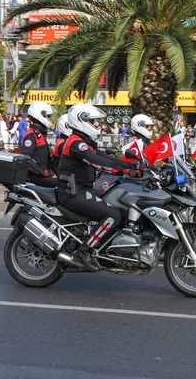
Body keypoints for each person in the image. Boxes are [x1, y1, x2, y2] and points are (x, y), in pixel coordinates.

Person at [56, 103, 140, 271]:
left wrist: (134, 165)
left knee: (120, 208)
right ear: (82, 121)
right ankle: (84, 251)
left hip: (81, 190)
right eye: (94, 121)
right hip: (73, 193)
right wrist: (125, 171)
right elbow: (96, 161)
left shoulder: (84, 141)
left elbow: (103, 157)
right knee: (112, 215)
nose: (97, 125)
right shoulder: (75, 144)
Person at [22, 101, 57, 187]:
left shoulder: (40, 134)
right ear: (41, 115)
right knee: (61, 185)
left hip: (41, 175)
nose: (50, 119)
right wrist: (43, 172)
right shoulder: (32, 134)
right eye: (49, 116)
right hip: (35, 176)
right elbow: (26, 158)